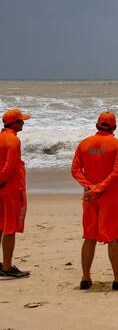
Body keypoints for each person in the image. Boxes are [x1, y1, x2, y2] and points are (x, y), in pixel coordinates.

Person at [71, 112, 118, 291]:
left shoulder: (84, 144)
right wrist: (99, 189)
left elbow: (75, 170)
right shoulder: (117, 144)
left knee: (89, 237)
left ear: (97, 125)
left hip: (89, 196)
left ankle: (85, 278)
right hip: (110, 197)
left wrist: (90, 187)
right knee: (113, 237)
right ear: (114, 127)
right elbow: (116, 173)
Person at [0, 109, 31, 279]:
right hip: (12, 188)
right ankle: (6, 267)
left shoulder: (1, 137)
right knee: (10, 228)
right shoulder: (13, 140)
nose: (23, 123)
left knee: (0, 225)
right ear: (14, 123)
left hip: (3, 189)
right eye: (21, 121)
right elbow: (9, 166)